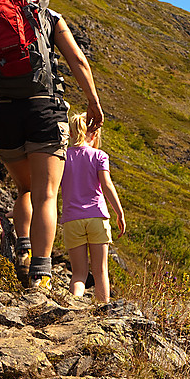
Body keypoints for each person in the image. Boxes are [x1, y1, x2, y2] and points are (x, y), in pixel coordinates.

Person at [0, 0, 104, 290]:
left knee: (25, 188)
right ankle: (40, 273)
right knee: (46, 195)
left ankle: (24, 247)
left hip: (1, 113)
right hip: (44, 109)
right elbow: (78, 61)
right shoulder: (49, 19)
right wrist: (93, 103)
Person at [61, 112, 126, 303]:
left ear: (72, 133)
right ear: (94, 134)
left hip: (72, 220)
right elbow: (107, 185)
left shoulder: (63, 157)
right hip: (97, 216)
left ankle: (72, 308)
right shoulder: (99, 156)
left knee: (79, 274)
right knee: (100, 272)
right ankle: (102, 311)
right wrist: (119, 213)